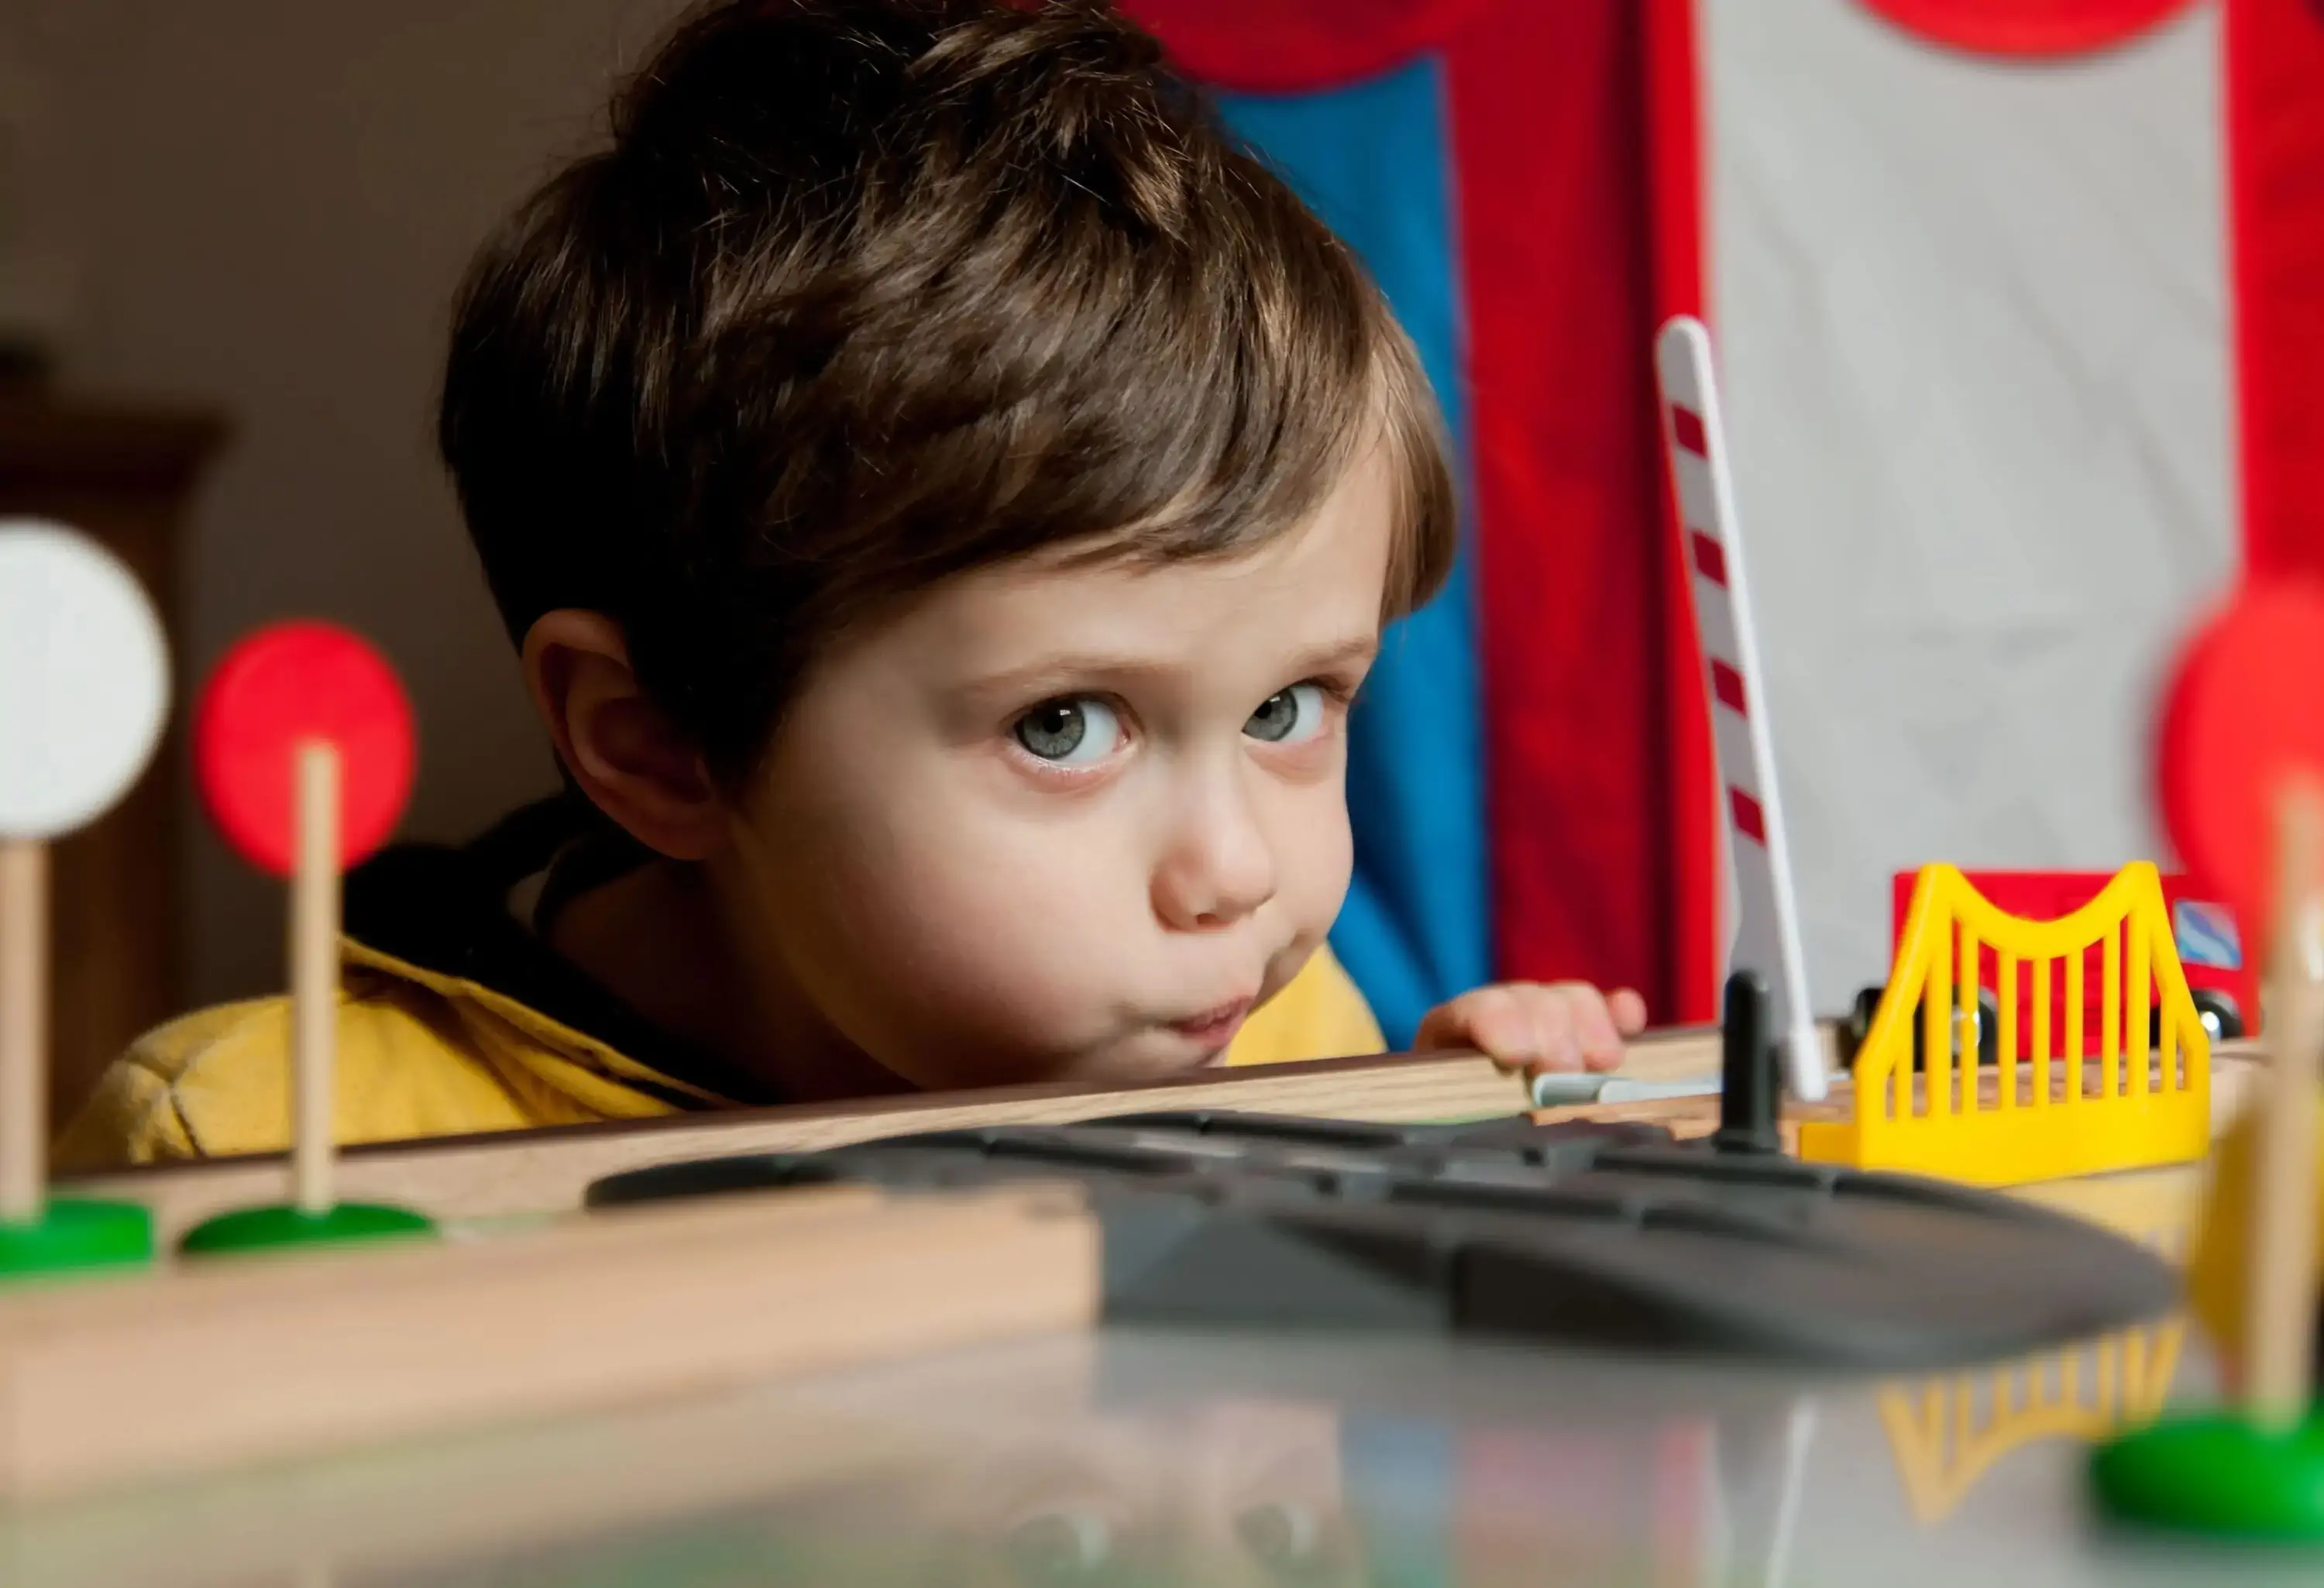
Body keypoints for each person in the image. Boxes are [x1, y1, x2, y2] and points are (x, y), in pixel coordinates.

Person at [57, 0, 1645, 1168]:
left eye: (1292, 706)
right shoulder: (257, 1147)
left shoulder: (1284, 1041)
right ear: (660, 740)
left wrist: (1430, 1172)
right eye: (1068, 725)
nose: (1237, 873)